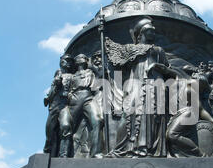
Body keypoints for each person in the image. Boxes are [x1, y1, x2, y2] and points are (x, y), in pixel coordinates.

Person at [106, 17, 169, 157]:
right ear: (141, 33)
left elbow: (167, 69)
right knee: (129, 113)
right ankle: (122, 149)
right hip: (134, 83)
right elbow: (118, 63)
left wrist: (159, 67)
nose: (153, 33)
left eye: (154, 31)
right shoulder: (130, 49)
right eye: (149, 30)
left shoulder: (158, 50)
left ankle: (147, 148)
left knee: (151, 114)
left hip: (154, 82)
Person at [62, 54, 104, 158]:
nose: (85, 59)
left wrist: (92, 65)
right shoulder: (72, 76)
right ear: (76, 61)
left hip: (88, 97)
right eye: (82, 57)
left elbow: (101, 75)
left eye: (86, 58)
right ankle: (64, 154)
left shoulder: (91, 72)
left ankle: (96, 153)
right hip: (75, 98)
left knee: (97, 121)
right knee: (68, 126)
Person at [43, 54, 74, 157]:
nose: (68, 63)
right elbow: (50, 94)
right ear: (61, 62)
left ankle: (63, 155)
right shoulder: (57, 75)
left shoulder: (73, 76)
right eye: (66, 61)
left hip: (64, 105)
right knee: (50, 133)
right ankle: (47, 152)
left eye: (70, 61)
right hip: (54, 106)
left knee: (66, 126)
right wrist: (56, 84)